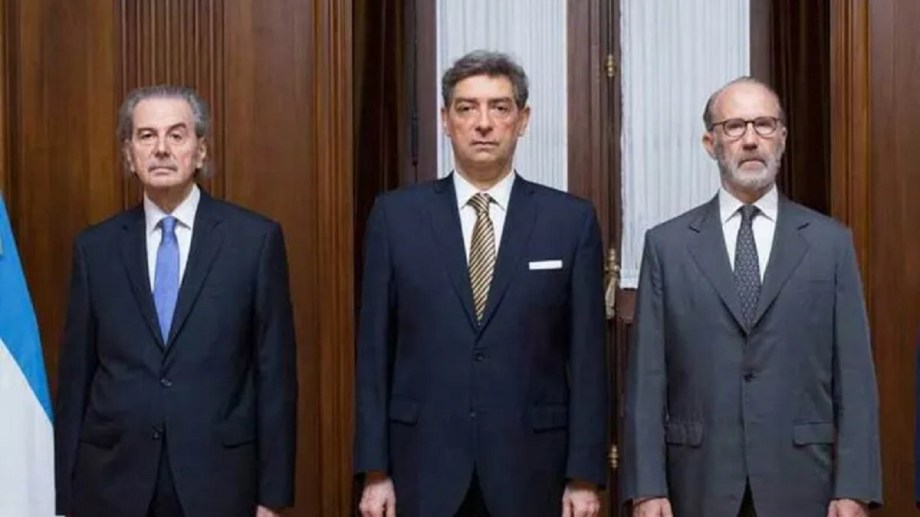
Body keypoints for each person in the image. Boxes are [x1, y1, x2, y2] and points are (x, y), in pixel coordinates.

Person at [354, 50, 609, 517]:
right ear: (445, 120)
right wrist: (375, 470)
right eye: (467, 108)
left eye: (500, 107)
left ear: (523, 120)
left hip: (533, 469)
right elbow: (373, 352)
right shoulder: (396, 217)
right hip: (421, 467)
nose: (484, 123)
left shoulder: (569, 222)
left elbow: (589, 359)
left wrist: (584, 476)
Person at [621, 77, 882, 517]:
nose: (750, 139)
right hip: (698, 483)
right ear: (710, 143)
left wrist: (854, 487)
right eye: (734, 126)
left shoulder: (830, 244)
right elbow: (647, 379)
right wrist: (647, 488)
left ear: (782, 137)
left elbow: (855, 375)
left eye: (764, 124)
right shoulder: (667, 246)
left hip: (803, 483)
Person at [54, 85, 297, 517]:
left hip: (219, 483)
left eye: (177, 135)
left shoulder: (253, 241)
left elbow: (275, 376)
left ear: (200, 151)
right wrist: (64, 497)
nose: (161, 149)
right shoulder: (95, 249)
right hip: (111, 484)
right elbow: (76, 379)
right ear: (129, 154)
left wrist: (273, 498)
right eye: (146, 136)